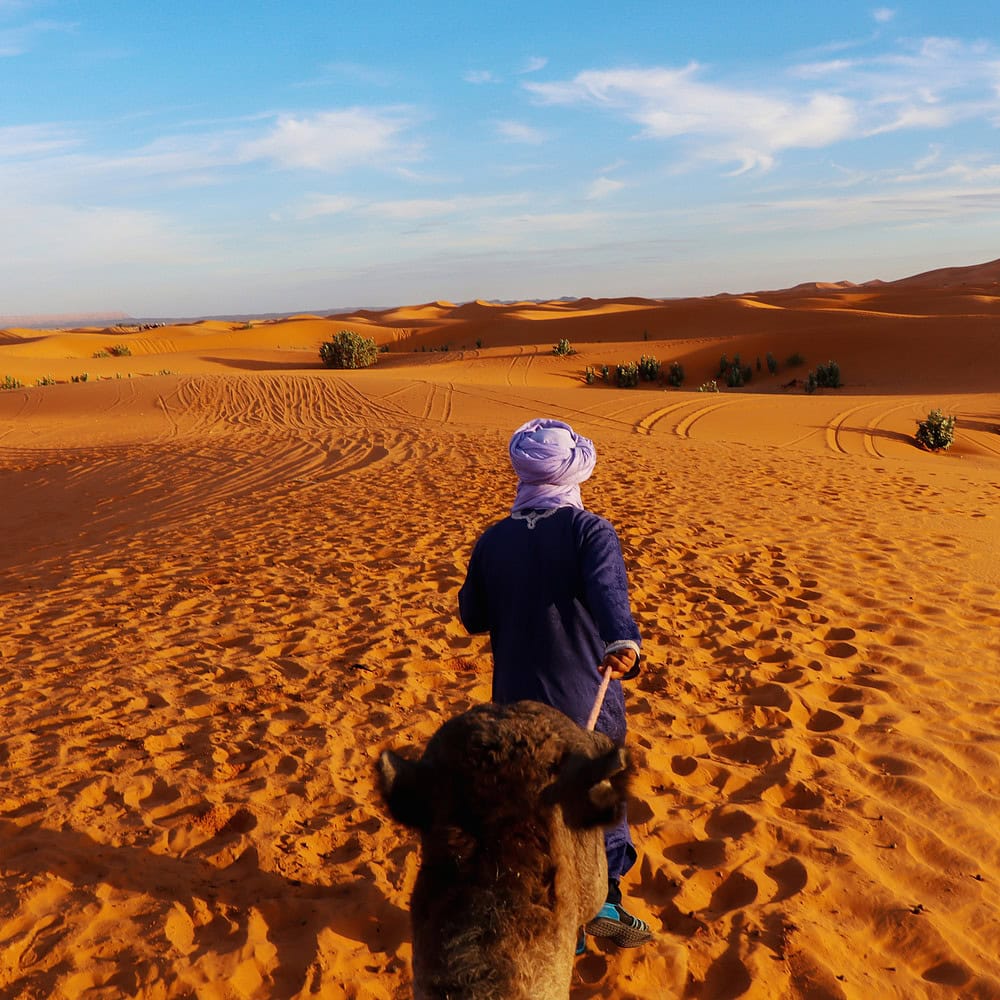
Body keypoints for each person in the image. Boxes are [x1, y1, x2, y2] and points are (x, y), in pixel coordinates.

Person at [458, 417, 652, 949]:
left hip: (515, 705)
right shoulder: (589, 530)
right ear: (573, 472)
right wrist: (624, 644)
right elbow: (611, 596)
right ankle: (603, 902)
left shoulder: (493, 539)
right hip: (584, 694)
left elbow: (472, 616)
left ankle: (552, 917)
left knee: (531, 808)